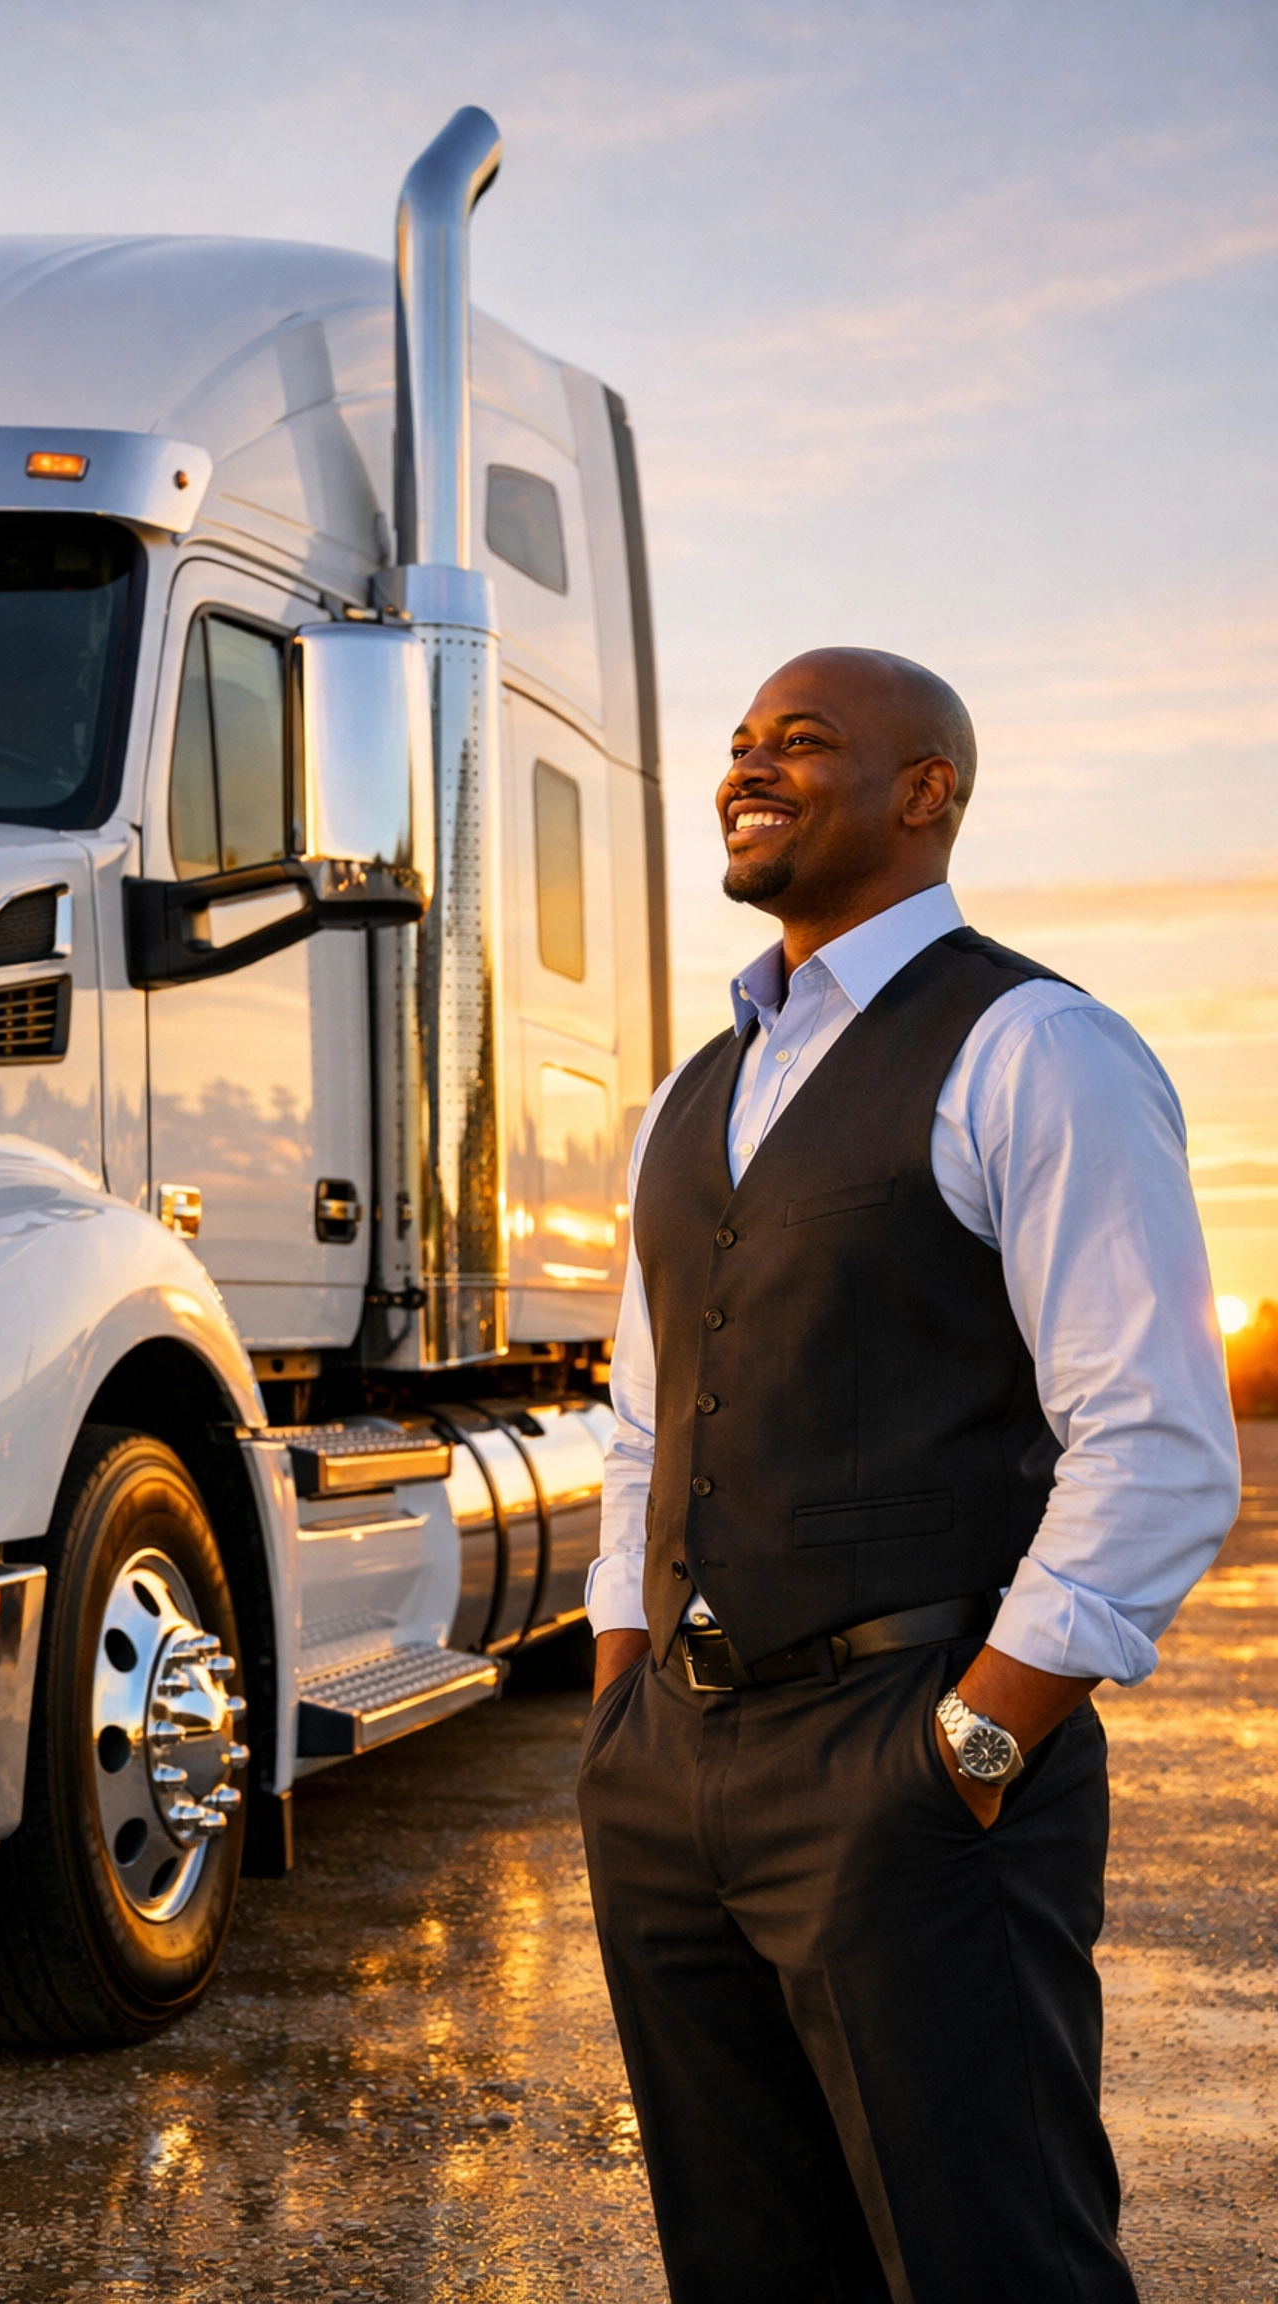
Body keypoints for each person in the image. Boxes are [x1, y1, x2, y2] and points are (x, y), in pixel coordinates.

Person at [578, 647, 1240, 2304]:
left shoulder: (1036, 1048)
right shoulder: (687, 1095)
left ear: (925, 789)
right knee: (746, 2261)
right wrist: (621, 1704)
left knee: (988, 2258)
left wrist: (977, 1735)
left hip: (913, 1767)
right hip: (678, 1769)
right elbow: (646, 1426)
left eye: (800, 743)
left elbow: (1155, 1440)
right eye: (738, 746)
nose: (748, 769)